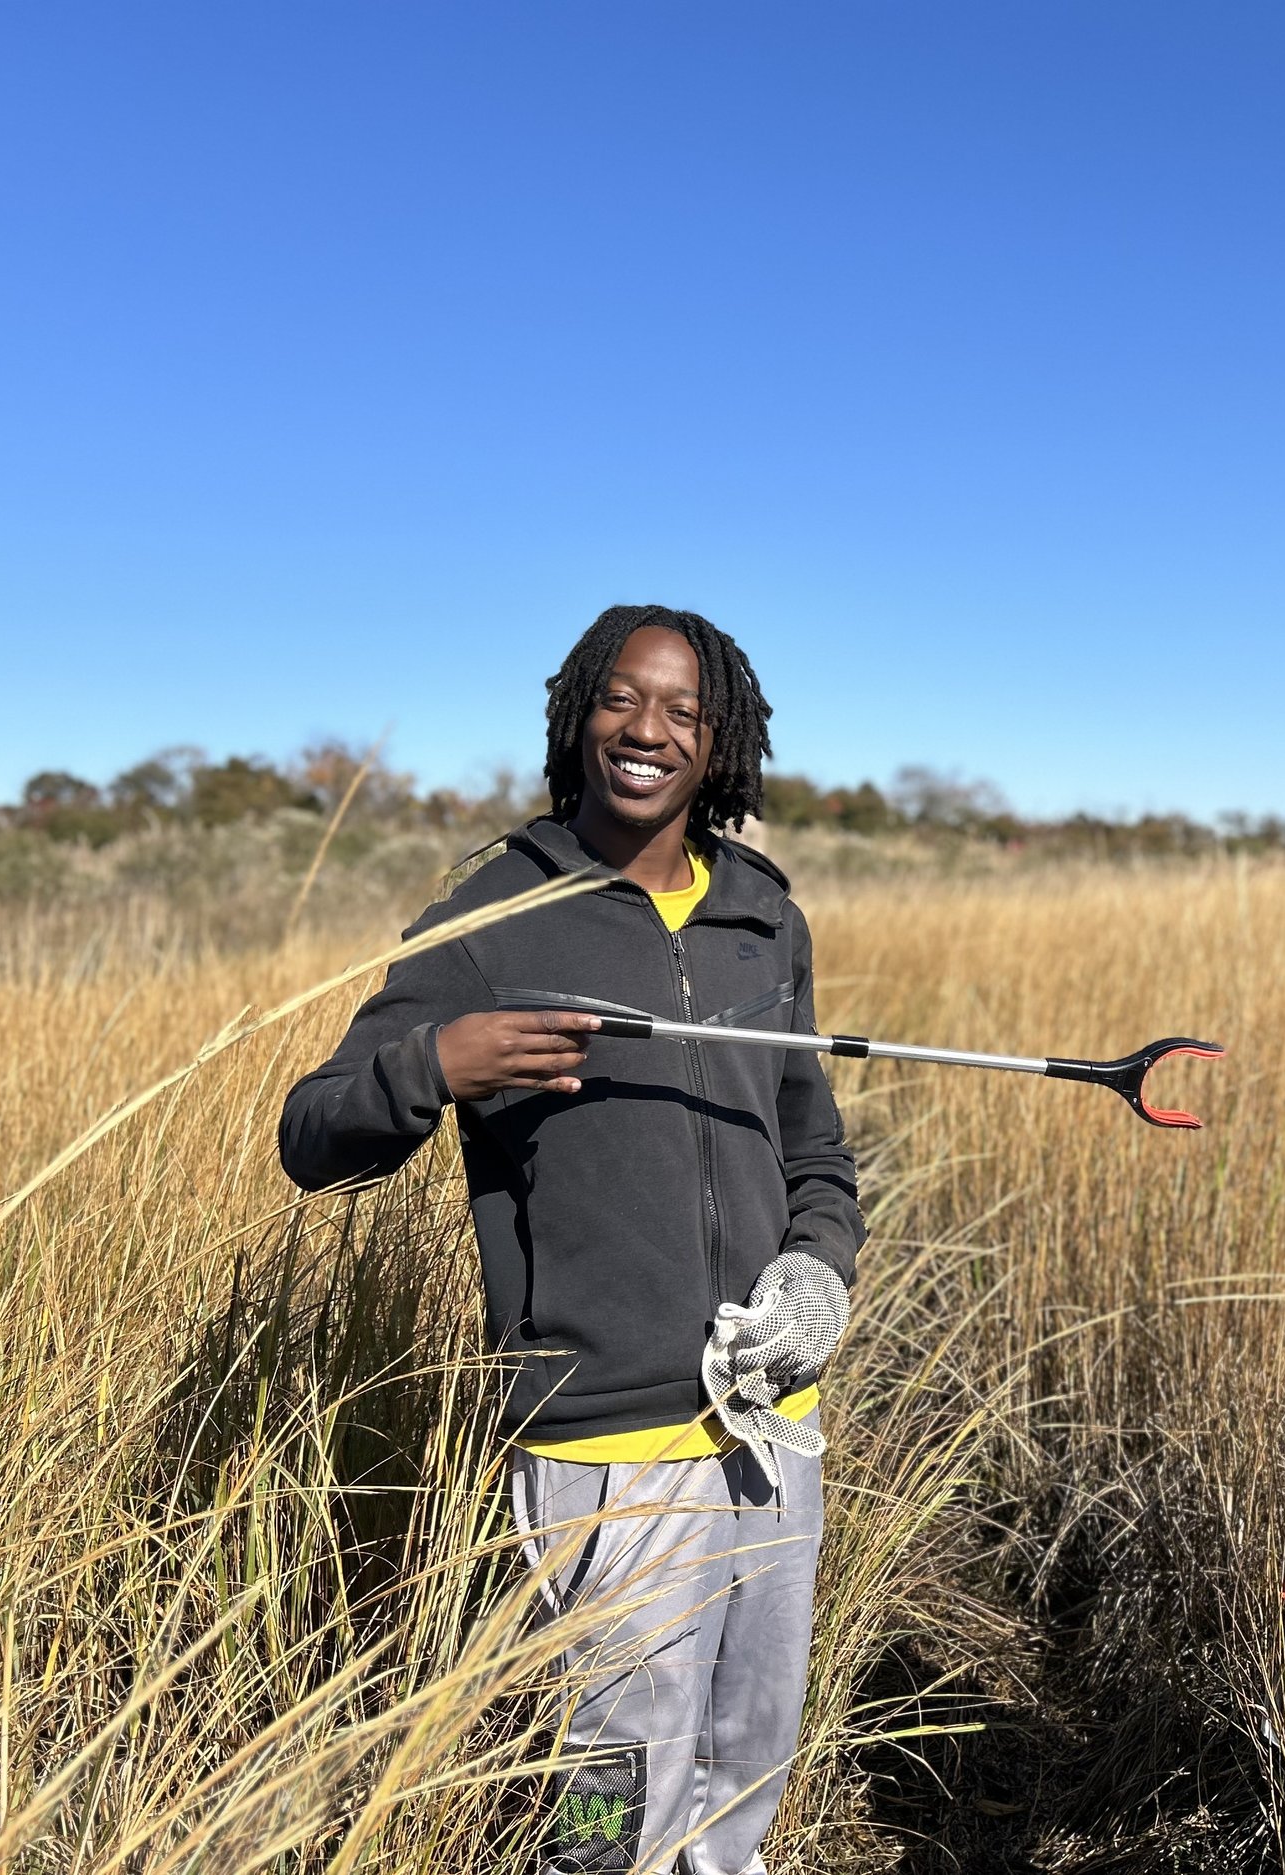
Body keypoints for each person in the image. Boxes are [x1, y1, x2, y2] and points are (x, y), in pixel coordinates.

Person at [280, 605, 862, 1875]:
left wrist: (817, 1274)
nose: (646, 732)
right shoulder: (491, 916)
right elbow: (314, 1135)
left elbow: (813, 1143)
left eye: (683, 713)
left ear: (719, 745)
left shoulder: (764, 912)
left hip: (769, 1425)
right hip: (602, 1444)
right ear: (576, 714)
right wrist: (436, 1063)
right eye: (621, 700)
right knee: (605, 1798)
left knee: (742, 1774)